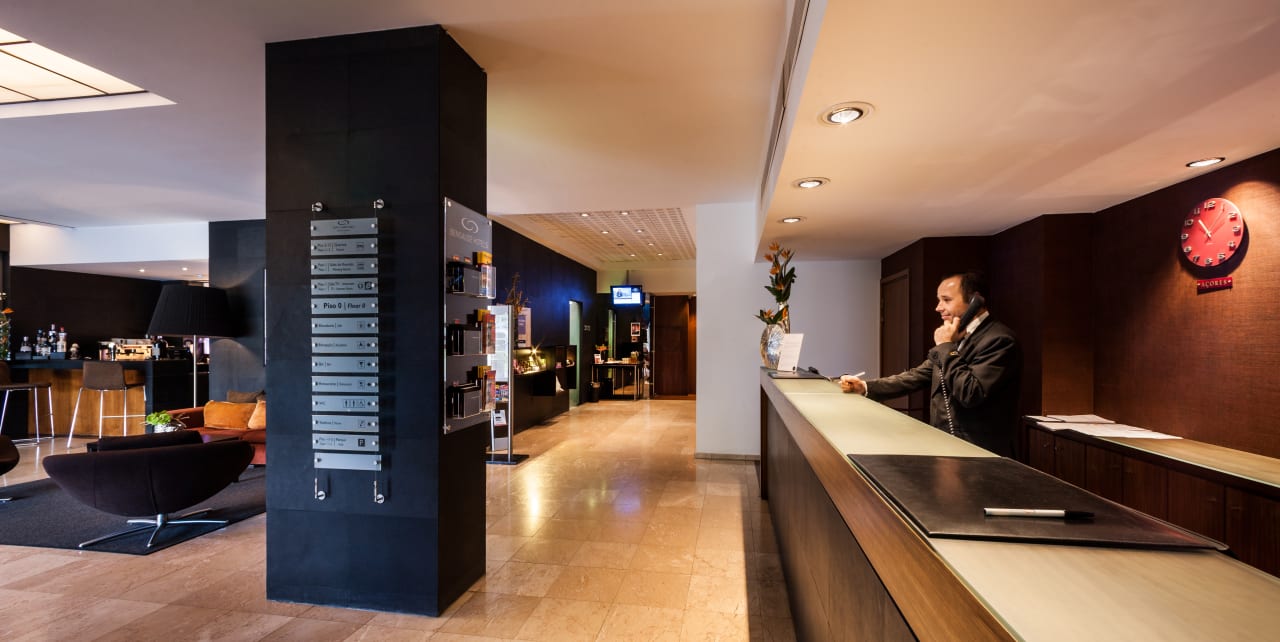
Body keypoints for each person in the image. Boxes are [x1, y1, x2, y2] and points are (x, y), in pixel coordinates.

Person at [839, 271, 1022, 457]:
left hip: (980, 452)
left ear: (975, 300)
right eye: (939, 300)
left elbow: (971, 393)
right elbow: (917, 376)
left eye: (946, 300)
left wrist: (945, 346)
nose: (938, 308)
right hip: (947, 445)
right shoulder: (957, 336)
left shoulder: (999, 340)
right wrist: (865, 387)